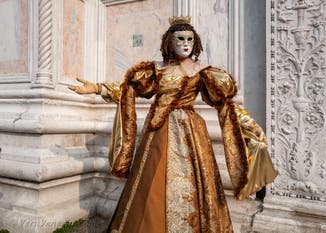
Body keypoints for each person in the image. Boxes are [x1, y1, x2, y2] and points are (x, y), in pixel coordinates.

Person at [69, 16, 277, 233]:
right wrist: (97, 88)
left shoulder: (203, 71)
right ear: (169, 42)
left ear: (195, 42)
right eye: (180, 39)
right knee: (151, 183)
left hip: (191, 134)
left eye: (189, 39)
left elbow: (226, 106)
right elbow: (129, 89)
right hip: (158, 135)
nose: (185, 44)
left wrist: (252, 127)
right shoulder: (158, 70)